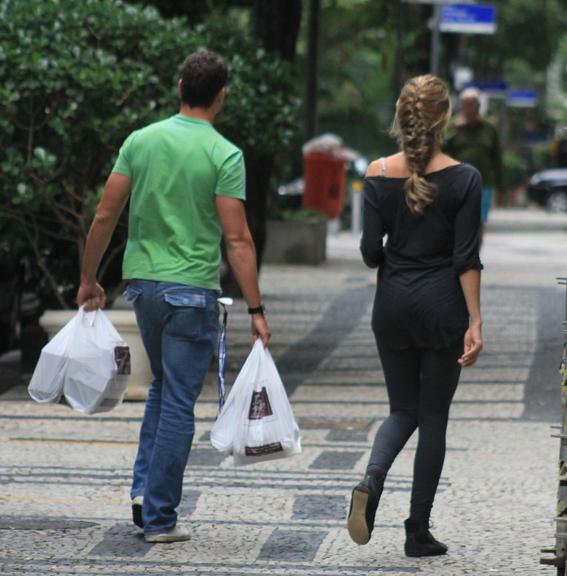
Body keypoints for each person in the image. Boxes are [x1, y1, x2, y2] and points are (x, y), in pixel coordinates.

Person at [76, 50, 271, 543]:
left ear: (181, 87)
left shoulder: (141, 141)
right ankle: (160, 518)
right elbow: (238, 239)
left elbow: (104, 214)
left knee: (163, 389)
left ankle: (144, 496)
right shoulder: (224, 153)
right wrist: (256, 308)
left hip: (143, 287)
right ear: (220, 96)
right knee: (180, 400)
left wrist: (88, 278)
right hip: (192, 291)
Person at [347, 75, 483, 557]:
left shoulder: (377, 174)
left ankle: (371, 480)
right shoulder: (465, 179)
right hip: (443, 308)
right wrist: (475, 320)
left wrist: (394, 260)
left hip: (392, 308)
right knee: (433, 417)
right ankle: (417, 530)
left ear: (402, 115)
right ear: (445, 117)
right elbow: (466, 259)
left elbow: (368, 253)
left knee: (401, 409)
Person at [445, 87, 503, 243]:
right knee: (457, 221)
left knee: (478, 222)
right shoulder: (453, 125)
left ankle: (474, 256)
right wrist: (453, 134)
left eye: (473, 104)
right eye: (466, 104)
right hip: (457, 184)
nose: (469, 108)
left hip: (483, 184)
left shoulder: (489, 129)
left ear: (479, 105)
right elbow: (440, 150)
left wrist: (501, 188)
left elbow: (497, 159)